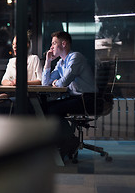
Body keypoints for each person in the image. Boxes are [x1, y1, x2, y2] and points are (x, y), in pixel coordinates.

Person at [41, 31, 97, 160]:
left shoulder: (75, 57)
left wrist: (56, 82)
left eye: (54, 43)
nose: (51, 47)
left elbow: (63, 82)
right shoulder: (61, 63)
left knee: (51, 110)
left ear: (64, 44)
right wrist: (48, 62)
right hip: (76, 98)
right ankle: (69, 141)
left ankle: (69, 141)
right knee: (46, 108)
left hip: (87, 99)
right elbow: (46, 83)